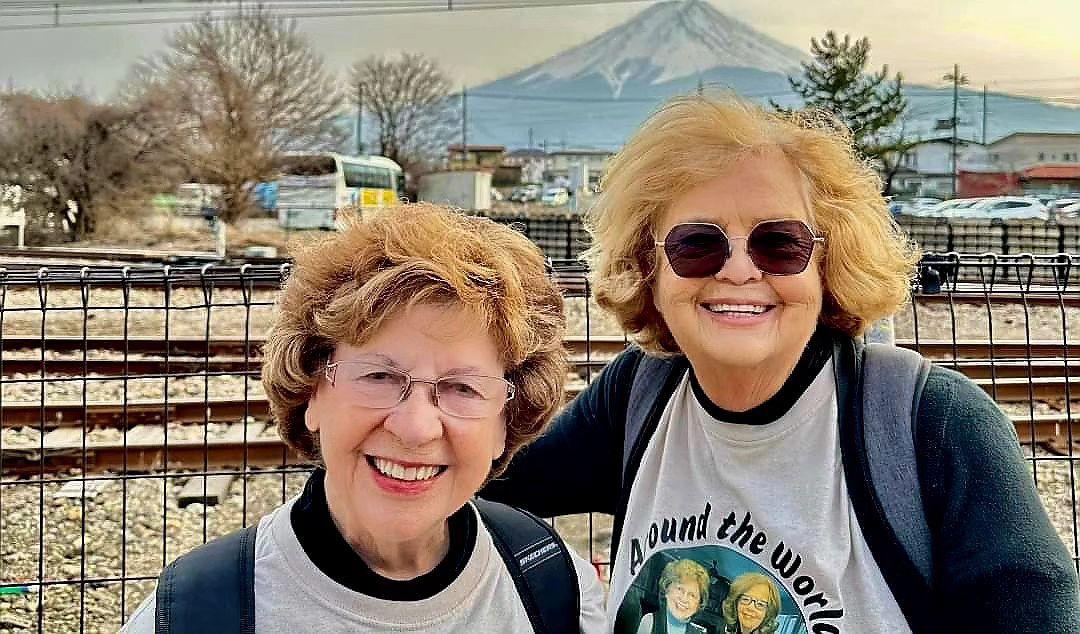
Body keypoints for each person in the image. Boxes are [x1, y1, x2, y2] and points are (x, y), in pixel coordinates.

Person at [482, 94, 1080, 631]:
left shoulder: (934, 425)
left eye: (779, 243)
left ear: (828, 263)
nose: (739, 270)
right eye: (697, 245)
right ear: (649, 268)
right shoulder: (639, 393)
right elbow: (480, 478)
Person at [122, 203, 605, 632]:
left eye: (463, 388)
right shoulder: (197, 613)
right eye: (378, 376)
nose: (415, 429)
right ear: (311, 391)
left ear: (505, 423)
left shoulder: (554, 586)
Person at [636, 559, 709, 634]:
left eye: (692, 595)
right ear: (666, 589)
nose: (684, 599)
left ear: (698, 605)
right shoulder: (650, 621)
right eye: (680, 589)